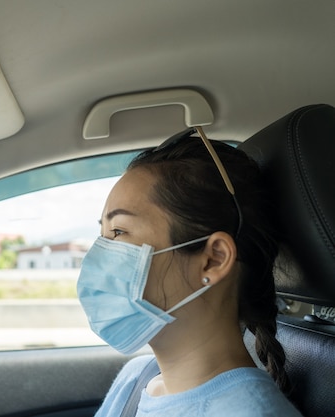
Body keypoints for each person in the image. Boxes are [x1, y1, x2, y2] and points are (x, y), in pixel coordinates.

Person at [77, 127, 303, 416]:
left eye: (119, 231)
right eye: (103, 234)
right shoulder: (136, 379)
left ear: (213, 259)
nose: (97, 257)